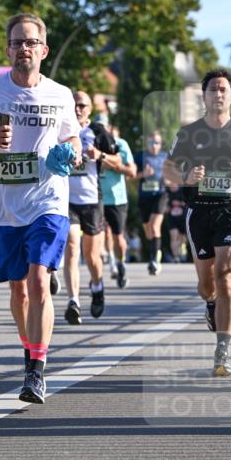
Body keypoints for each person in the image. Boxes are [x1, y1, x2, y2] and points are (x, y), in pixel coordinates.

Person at [0, 12, 81, 404]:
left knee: (38, 280)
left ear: (43, 50)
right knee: (18, 290)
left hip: (48, 201)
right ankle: (29, 348)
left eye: (30, 42)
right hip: (2, 207)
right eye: (16, 43)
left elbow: (73, 141)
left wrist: (73, 154)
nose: (23, 49)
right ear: (8, 49)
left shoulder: (60, 94)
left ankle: (36, 370)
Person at [163, 68, 231, 377]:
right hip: (199, 213)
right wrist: (185, 177)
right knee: (207, 285)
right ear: (204, 96)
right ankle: (210, 303)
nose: (218, 94)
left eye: (223, 89)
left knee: (226, 276)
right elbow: (167, 170)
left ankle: (223, 349)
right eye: (212, 90)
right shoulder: (188, 133)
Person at [62, 91, 106, 324]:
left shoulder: (97, 131)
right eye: (74, 105)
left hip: (91, 200)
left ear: (89, 109)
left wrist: (100, 155)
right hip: (67, 199)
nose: (77, 109)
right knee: (71, 245)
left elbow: (121, 162)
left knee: (91, 256)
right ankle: (73, 300)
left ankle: (97, 286)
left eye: (82, 105)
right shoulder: (62, 129)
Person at [99, 123, 136, 287]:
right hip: (95, 198)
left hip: (116, 199)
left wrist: (113, 164)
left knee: (117, 236)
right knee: (102, 234)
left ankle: (121, 262)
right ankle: (111, 263)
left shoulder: (121, 144)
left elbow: (132, 172)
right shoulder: (91, 143)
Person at [134, 131, 168, 275]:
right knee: (148, 231)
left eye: (157, 143)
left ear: (161, 144)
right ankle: (156, 252)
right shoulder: (140, 156)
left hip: (160, 195)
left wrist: (170, 181)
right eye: (151, 142)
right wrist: (143, 175)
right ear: (147, 143)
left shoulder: (165, 157)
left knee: (155, 226)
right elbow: (131, 176)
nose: (154, 146)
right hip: (144, 197)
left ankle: (155, 260)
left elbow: (174, 173)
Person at [165, 182, 187, 261]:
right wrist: (166, 208)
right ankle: (176, 256)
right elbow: (164, 207)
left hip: (182, 218)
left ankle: (182, 249)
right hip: (172, 219)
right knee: (173, 236)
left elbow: (188, 203)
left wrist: (179, 203)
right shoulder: (167, 192)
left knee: (183, 238)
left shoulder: (182, 191)